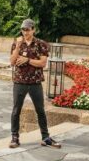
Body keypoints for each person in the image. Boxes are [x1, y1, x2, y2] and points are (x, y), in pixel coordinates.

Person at [9, 19, 60, 149]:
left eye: (27, 29)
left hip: (35, 82)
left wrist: (27, 60)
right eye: (23, 30)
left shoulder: (41, 44)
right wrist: (18, 47)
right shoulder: (16, 43)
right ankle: (15, 138)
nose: (25, 32)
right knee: (16, 110)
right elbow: (12, 61)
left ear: (33, 30)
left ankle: (45, 138)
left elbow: (42, 63)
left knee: (40, 110)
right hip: (20, 81)